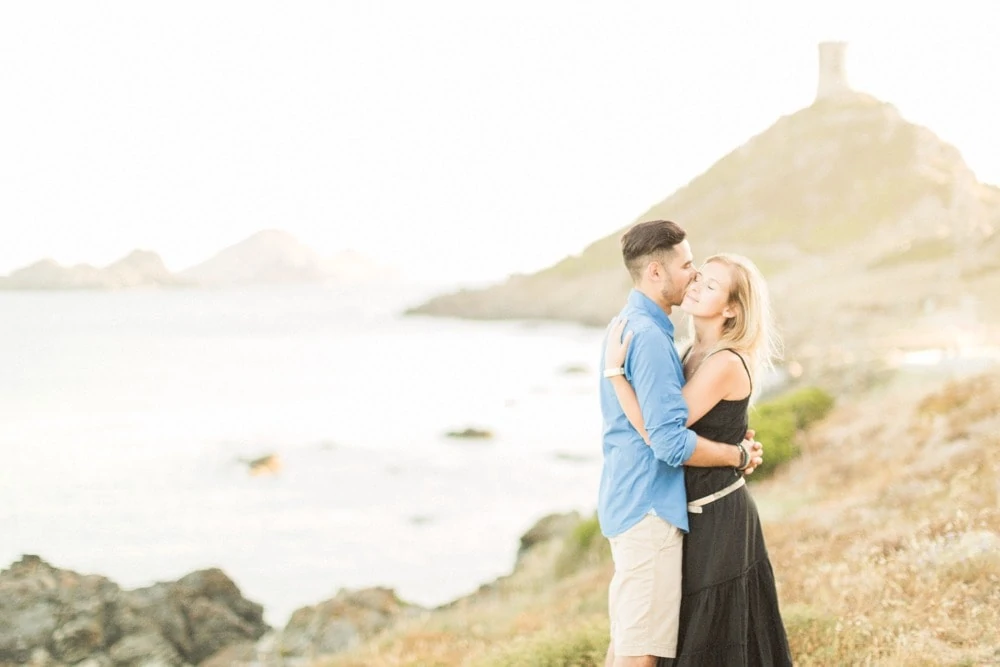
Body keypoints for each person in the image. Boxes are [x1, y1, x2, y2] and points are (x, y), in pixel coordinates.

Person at [604, 250, 793, 666]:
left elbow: (662, 434)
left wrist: (616, 378)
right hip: (692, 512)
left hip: (717, 517)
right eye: (698, 277)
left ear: (730, 309)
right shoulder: (689, 351)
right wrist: (737, 452)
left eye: (711, 286)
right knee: (667, 630)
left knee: (708, 638)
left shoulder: (724, 361)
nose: (695, 285)